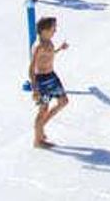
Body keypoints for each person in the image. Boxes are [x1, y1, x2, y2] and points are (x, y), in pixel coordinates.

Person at [30, 16, 70, 148]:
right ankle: (37, 140)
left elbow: (49, 55)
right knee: (43, 109)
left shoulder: (49, 42)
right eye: (53, 29)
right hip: (42, 82)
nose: (55, 31)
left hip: (52, 77)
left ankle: (40, 127)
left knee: (63, 101)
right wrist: (35, 89)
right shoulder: (38, 46)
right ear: (44, 31)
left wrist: (60, 49)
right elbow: (31, 69)